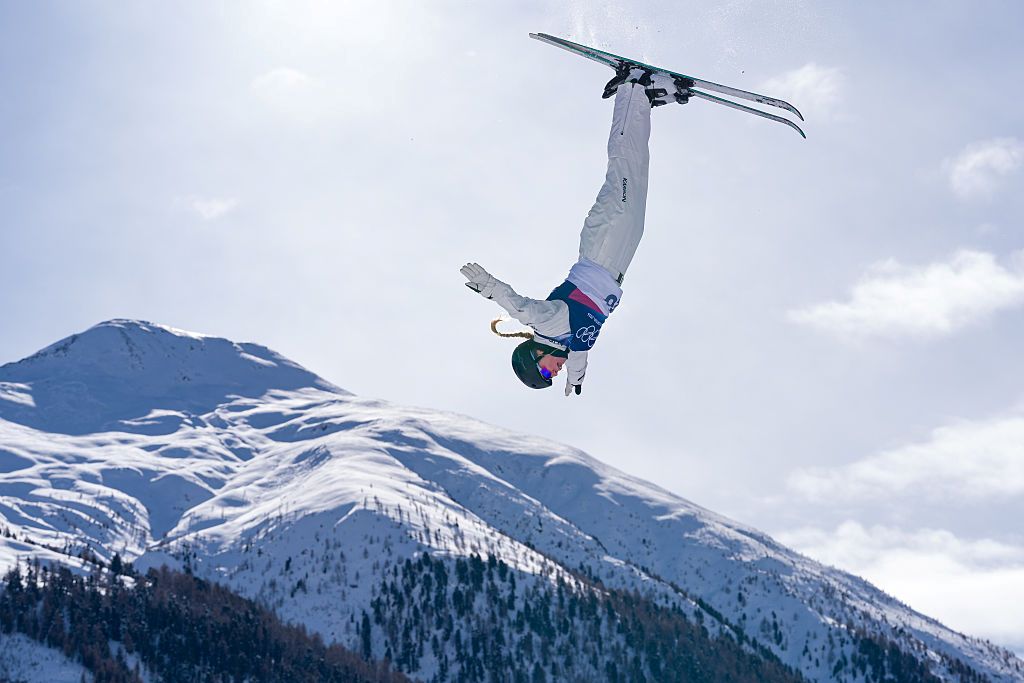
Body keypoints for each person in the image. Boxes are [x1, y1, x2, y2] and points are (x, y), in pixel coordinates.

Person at [461, 66, 670, 396]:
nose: (554, 371)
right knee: (638, 174)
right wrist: (576, 378)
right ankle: (641, 102)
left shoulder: (548, 325)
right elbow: (579, 356)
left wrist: (491, 288)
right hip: (615, 258)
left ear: (536, 352)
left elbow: (520, 308)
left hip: (602, 247)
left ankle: (632, 87)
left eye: (546, 369)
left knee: (624, 169)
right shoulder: (570, 343)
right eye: (552, 376)